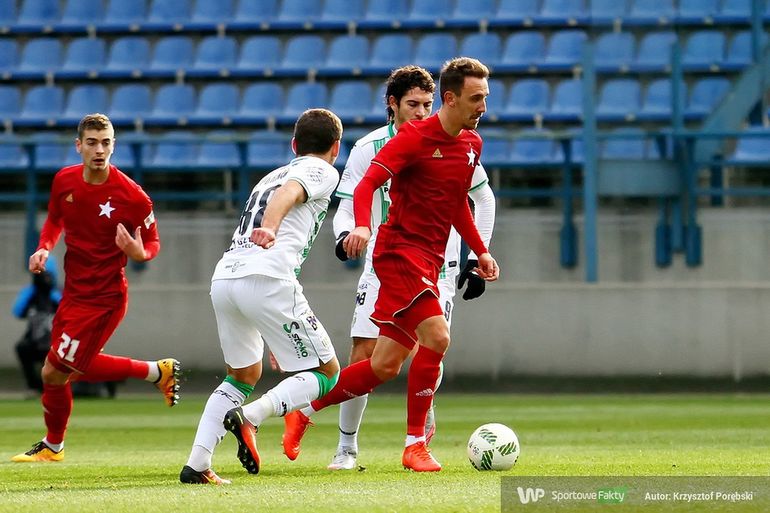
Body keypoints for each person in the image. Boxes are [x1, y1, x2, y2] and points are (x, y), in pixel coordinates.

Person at [280, 57, 500, 473]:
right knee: (437, 337)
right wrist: (361, 227)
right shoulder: (411, 138)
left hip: (433, 261)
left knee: (383, 365)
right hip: (398, 254)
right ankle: (413, 444)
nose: (483, 107)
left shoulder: (472, 144)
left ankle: (304, 411)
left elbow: (458, 202)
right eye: (476, 98)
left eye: (485, 97)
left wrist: (480, 251)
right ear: (452, 98)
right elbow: (366, 185)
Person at [180, 108, 343, 485]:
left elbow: (284, 192)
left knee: (242, 375)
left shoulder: (270, 175)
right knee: (327, 373)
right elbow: (290, 193)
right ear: (336, 147)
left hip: (227, 277)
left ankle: (198, 463)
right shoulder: (321, 169)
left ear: (294, 145)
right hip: (267, 277)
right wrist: (270, 227)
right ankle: (250, 418)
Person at [11, 113, 180, 464]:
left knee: (55, 370)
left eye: (105, 143)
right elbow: (55, 219)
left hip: (105, 298)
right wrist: (44, 247)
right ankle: (55, 444)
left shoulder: (133, 196)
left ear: (113, 145)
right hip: (73, 293)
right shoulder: (64, 180)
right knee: (60, 373)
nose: (99, 150)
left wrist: (140, 254)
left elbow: (153, 242)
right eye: (92, 143)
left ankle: (55, 444)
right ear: (79, 146)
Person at [12, 259, 62, 396]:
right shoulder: (31, 293)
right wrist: (29, 294)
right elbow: (18, 312)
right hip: (35, 339)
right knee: (22, 348)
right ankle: (34, 386)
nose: (44, 279)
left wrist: (54, 296)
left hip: (56, 341)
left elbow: (69, 313)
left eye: (47, 276)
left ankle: (57, 387)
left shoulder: (58, 293)